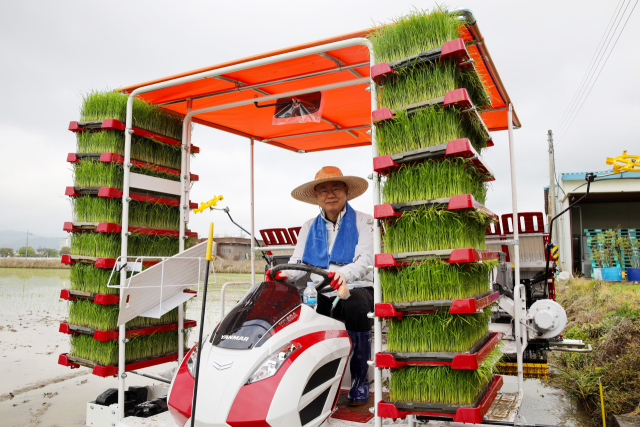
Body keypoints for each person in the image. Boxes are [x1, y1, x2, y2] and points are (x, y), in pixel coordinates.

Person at [266, 166, 374, 406]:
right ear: (316, 197)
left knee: (356, 305)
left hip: (356, 288)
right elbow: (297, 263)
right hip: (320, 291)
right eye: (323, 190)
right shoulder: (308, 226)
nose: (330, 194)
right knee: (300, 306)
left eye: (336, 188)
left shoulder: (364, 221)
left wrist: (343, 275)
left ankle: (359, 380)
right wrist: (281, 273)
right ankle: (307, 378)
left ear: (346, 191)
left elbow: (365, 260)